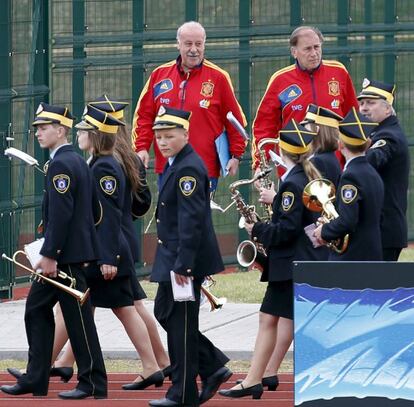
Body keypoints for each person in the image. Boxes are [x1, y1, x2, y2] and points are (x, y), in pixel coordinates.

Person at [39, 96, 171, 387]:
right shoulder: (104, 162)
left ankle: (153, 364)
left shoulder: (104, 167)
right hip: (107, 248)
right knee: (83, 305)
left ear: (97, 133)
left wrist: (109, 256)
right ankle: (54, 363)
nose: (79, 133)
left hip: (108, 250)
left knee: (118, 307)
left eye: (85, 129)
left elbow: (108, 216)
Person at [0, 103, 107, 399]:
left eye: (44, 127)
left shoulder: (62, 164)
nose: (38, 133)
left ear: (61, 130)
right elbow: (95, 212)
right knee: (38, 310)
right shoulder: (74, 161)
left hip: (64, 258)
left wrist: (51, 253)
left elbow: (62, 215)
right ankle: (37, 377)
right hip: (69, 254)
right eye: (36, 128)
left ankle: (92, 382)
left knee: (77, 320)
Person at [220, 119, 321, 400]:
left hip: (290, 263)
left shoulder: (292, 183)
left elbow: (288, 229)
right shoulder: (303, 176)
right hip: (298, 261)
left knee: (267, 318)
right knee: (282, 318)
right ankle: (266, 373)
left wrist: (258, 229)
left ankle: (253, 379)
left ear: (282, 150)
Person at [149, 106, 231, 407]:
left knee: (180, 323)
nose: (163, 142)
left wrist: (184, 263)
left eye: (169, 136)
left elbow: (191, 219)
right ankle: (212, 366)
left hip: (183, 259)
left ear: (185, 134)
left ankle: (183, 393)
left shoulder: (187, 167)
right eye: (158, 137)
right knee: (165, 313)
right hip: (173, 255)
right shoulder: (176, 163)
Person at [132, 21, 247, 192]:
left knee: (198, 218)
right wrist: (141, 148)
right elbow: (144, 116)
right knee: (167, 218)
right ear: (178, 44)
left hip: (204, 168)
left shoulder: (218, 77)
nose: (194, 49)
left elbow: (235, 120)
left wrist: (236, 155)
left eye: (198, 44)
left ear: (204, 45)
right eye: (188, 44)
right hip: (167, 166)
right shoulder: (159, 75)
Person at [251, 25, 358, 174]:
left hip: (335, 164)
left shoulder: (338, 72)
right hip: (295, 167)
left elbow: (353, 116)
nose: (314, 53)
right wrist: (259, 165)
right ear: (294, 52)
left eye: (317, 47)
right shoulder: (280, 80)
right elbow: (264, 126)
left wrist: (355, 158)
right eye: (307, 49)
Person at [313, 107, 384, 260]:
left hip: (353, 255)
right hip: (373, 251)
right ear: (368, 143)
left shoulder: (350, 177)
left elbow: (348, 220)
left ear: (341, 145)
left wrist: (324, 230)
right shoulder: (373, 173)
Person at [358, 79, 410, 261]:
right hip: (380, 229)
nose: (363, 108)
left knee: (375, 288)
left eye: (371, 103)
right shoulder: (377, 133)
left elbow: (370, 161)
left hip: (383, 230)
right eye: (362, 103)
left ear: (387, 108)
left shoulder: (388, 136)